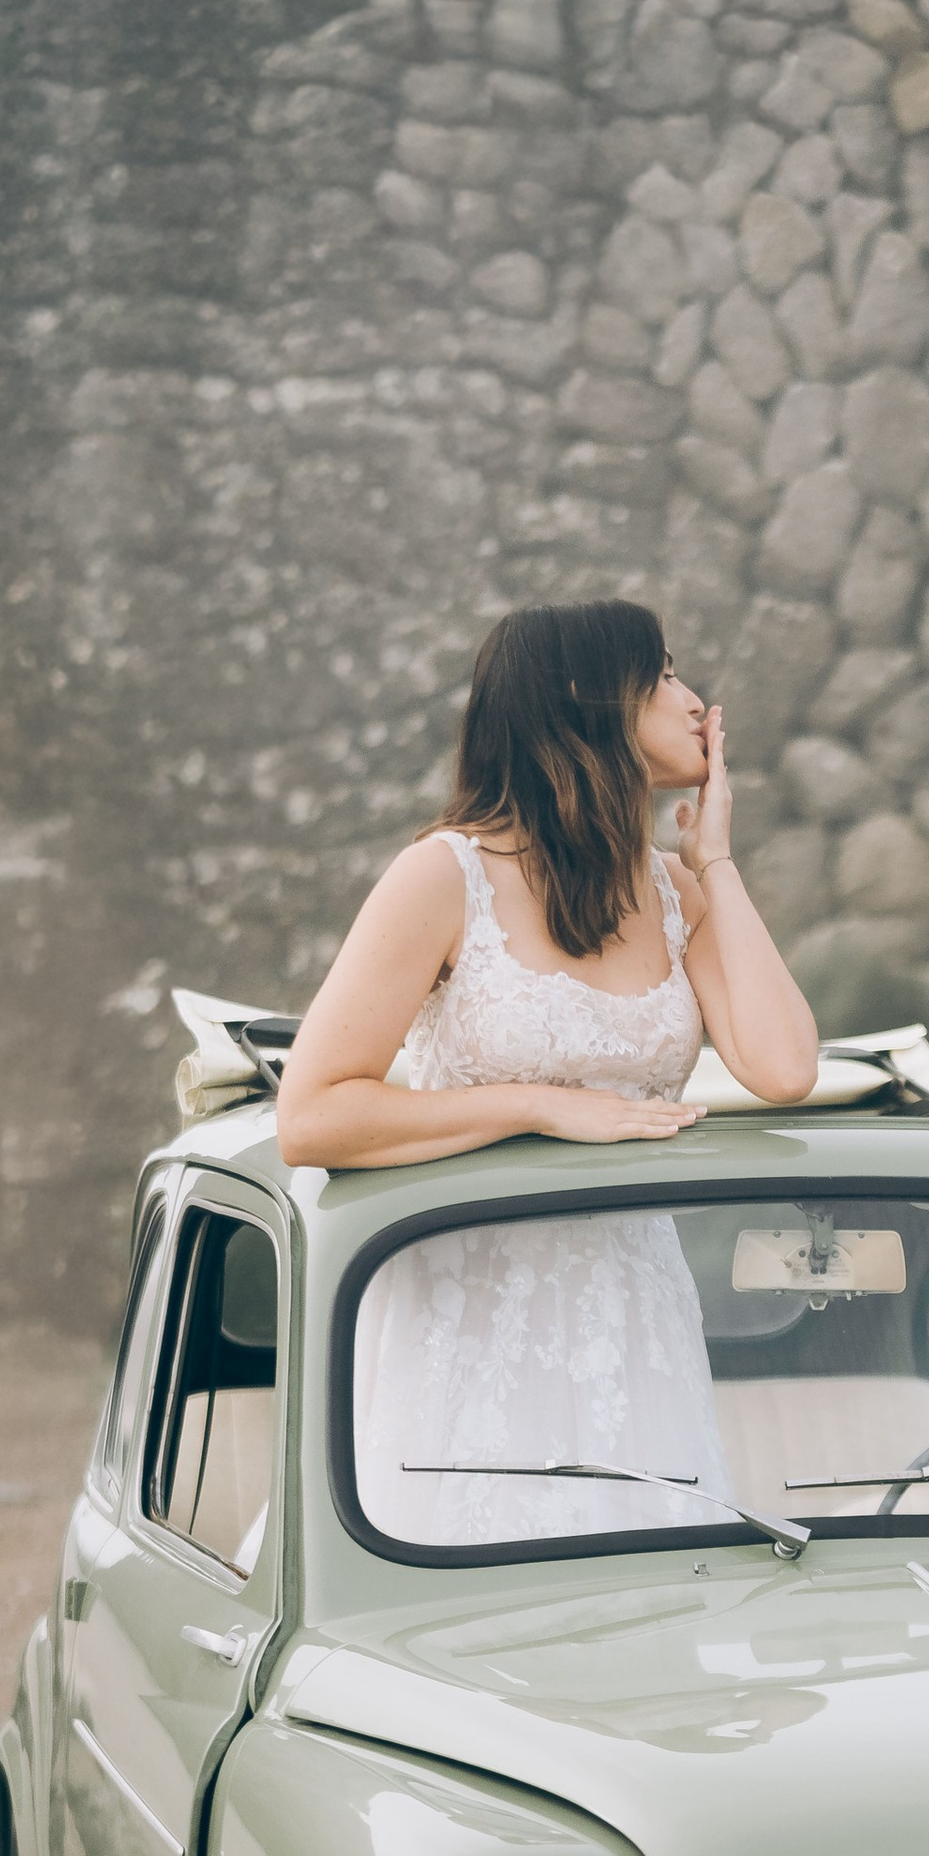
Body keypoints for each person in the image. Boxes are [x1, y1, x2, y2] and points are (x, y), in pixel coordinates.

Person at [277, 597, 820, 1546]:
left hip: (635, 1323)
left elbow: (783, 1067)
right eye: (663, 678)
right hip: (468, 1320)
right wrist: (541, 1106)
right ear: (585, 700)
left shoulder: (671, 888)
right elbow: (314, 1115)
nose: (697, 702)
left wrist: (717, 859)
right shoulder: (441, 876)